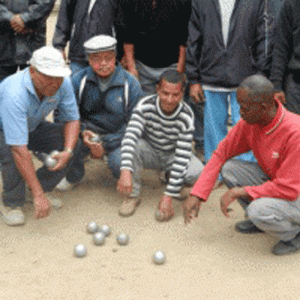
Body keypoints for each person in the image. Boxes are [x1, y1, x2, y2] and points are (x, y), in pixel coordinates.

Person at [184, 75, 300, 256]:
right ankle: (262, 222)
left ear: (263, 108)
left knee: (257, 210)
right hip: (278, 181)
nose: (239, 111)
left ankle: (293, 235)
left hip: (295, 192)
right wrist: (198, 193)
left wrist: (243, 191)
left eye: (244, 107)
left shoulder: (295, 132)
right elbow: (221, 153)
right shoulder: (250, 123)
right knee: (230, 169)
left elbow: (288, 188)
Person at [0, 46, 81, 226]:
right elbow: (19, 150)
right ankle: (12, 202)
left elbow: (73, 120)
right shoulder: (15, 94)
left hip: (32, 125)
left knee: (75, 142)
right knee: (11, 153)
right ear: (31, 71)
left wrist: (67, 151)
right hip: (2, 128)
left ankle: (39, 187)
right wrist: (39, 197)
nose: (54, 83)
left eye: (58, 77)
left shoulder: (63, 83)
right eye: (48, 77)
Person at [186, 0, 272, 163]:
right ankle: (216, 172)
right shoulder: (201, 2)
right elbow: (193, 39)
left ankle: (242, 171)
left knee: (246, 130)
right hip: (211, 75)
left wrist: (260, 77)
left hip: (246, 80)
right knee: (213, 133)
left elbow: (264, 39)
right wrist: (193, 79)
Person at [55, 35, 143, 191]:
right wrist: (82, 134)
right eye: (96, 59)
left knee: (120, 163)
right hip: (86, 133)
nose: (103, 63)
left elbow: (136, 125)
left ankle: (118, 168)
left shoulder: (131, 84)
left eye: (108, 58)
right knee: (59, 139)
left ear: (115, 57)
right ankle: (73, 175)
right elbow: (65, 115)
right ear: (88, 60)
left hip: (117, 135)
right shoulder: (78, 80)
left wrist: (106, 143)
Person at [117, 69, 204, 220]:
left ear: (182, 93)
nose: (169, 99)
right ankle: (133, 195)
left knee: (197, 170)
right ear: (157, 90)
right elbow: (130, 136)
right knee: (134, 146)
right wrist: (125, 170)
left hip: (172, 155)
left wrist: (167, 197)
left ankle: (171, 181)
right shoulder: (144, 105)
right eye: (165, 93)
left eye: (175, 95)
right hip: (150, 151)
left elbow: (182, 158)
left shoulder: (186, 116)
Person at [52, 0, 116, 75]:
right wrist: (59, 46)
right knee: (76, 84)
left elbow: (123, 21)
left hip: (106, 56)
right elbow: (64, 16)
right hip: (79, 54)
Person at [0, 0, 55, 82]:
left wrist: (25, 18)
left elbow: (46, 2)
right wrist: (10, 18)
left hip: (32, 39)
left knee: (33, 87)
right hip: (4, 41)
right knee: (2, 89)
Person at [270, 0, 300, 114]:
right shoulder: (292, 4)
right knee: (295, 129)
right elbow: (281, 47)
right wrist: (276, 85)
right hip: (296, 86)